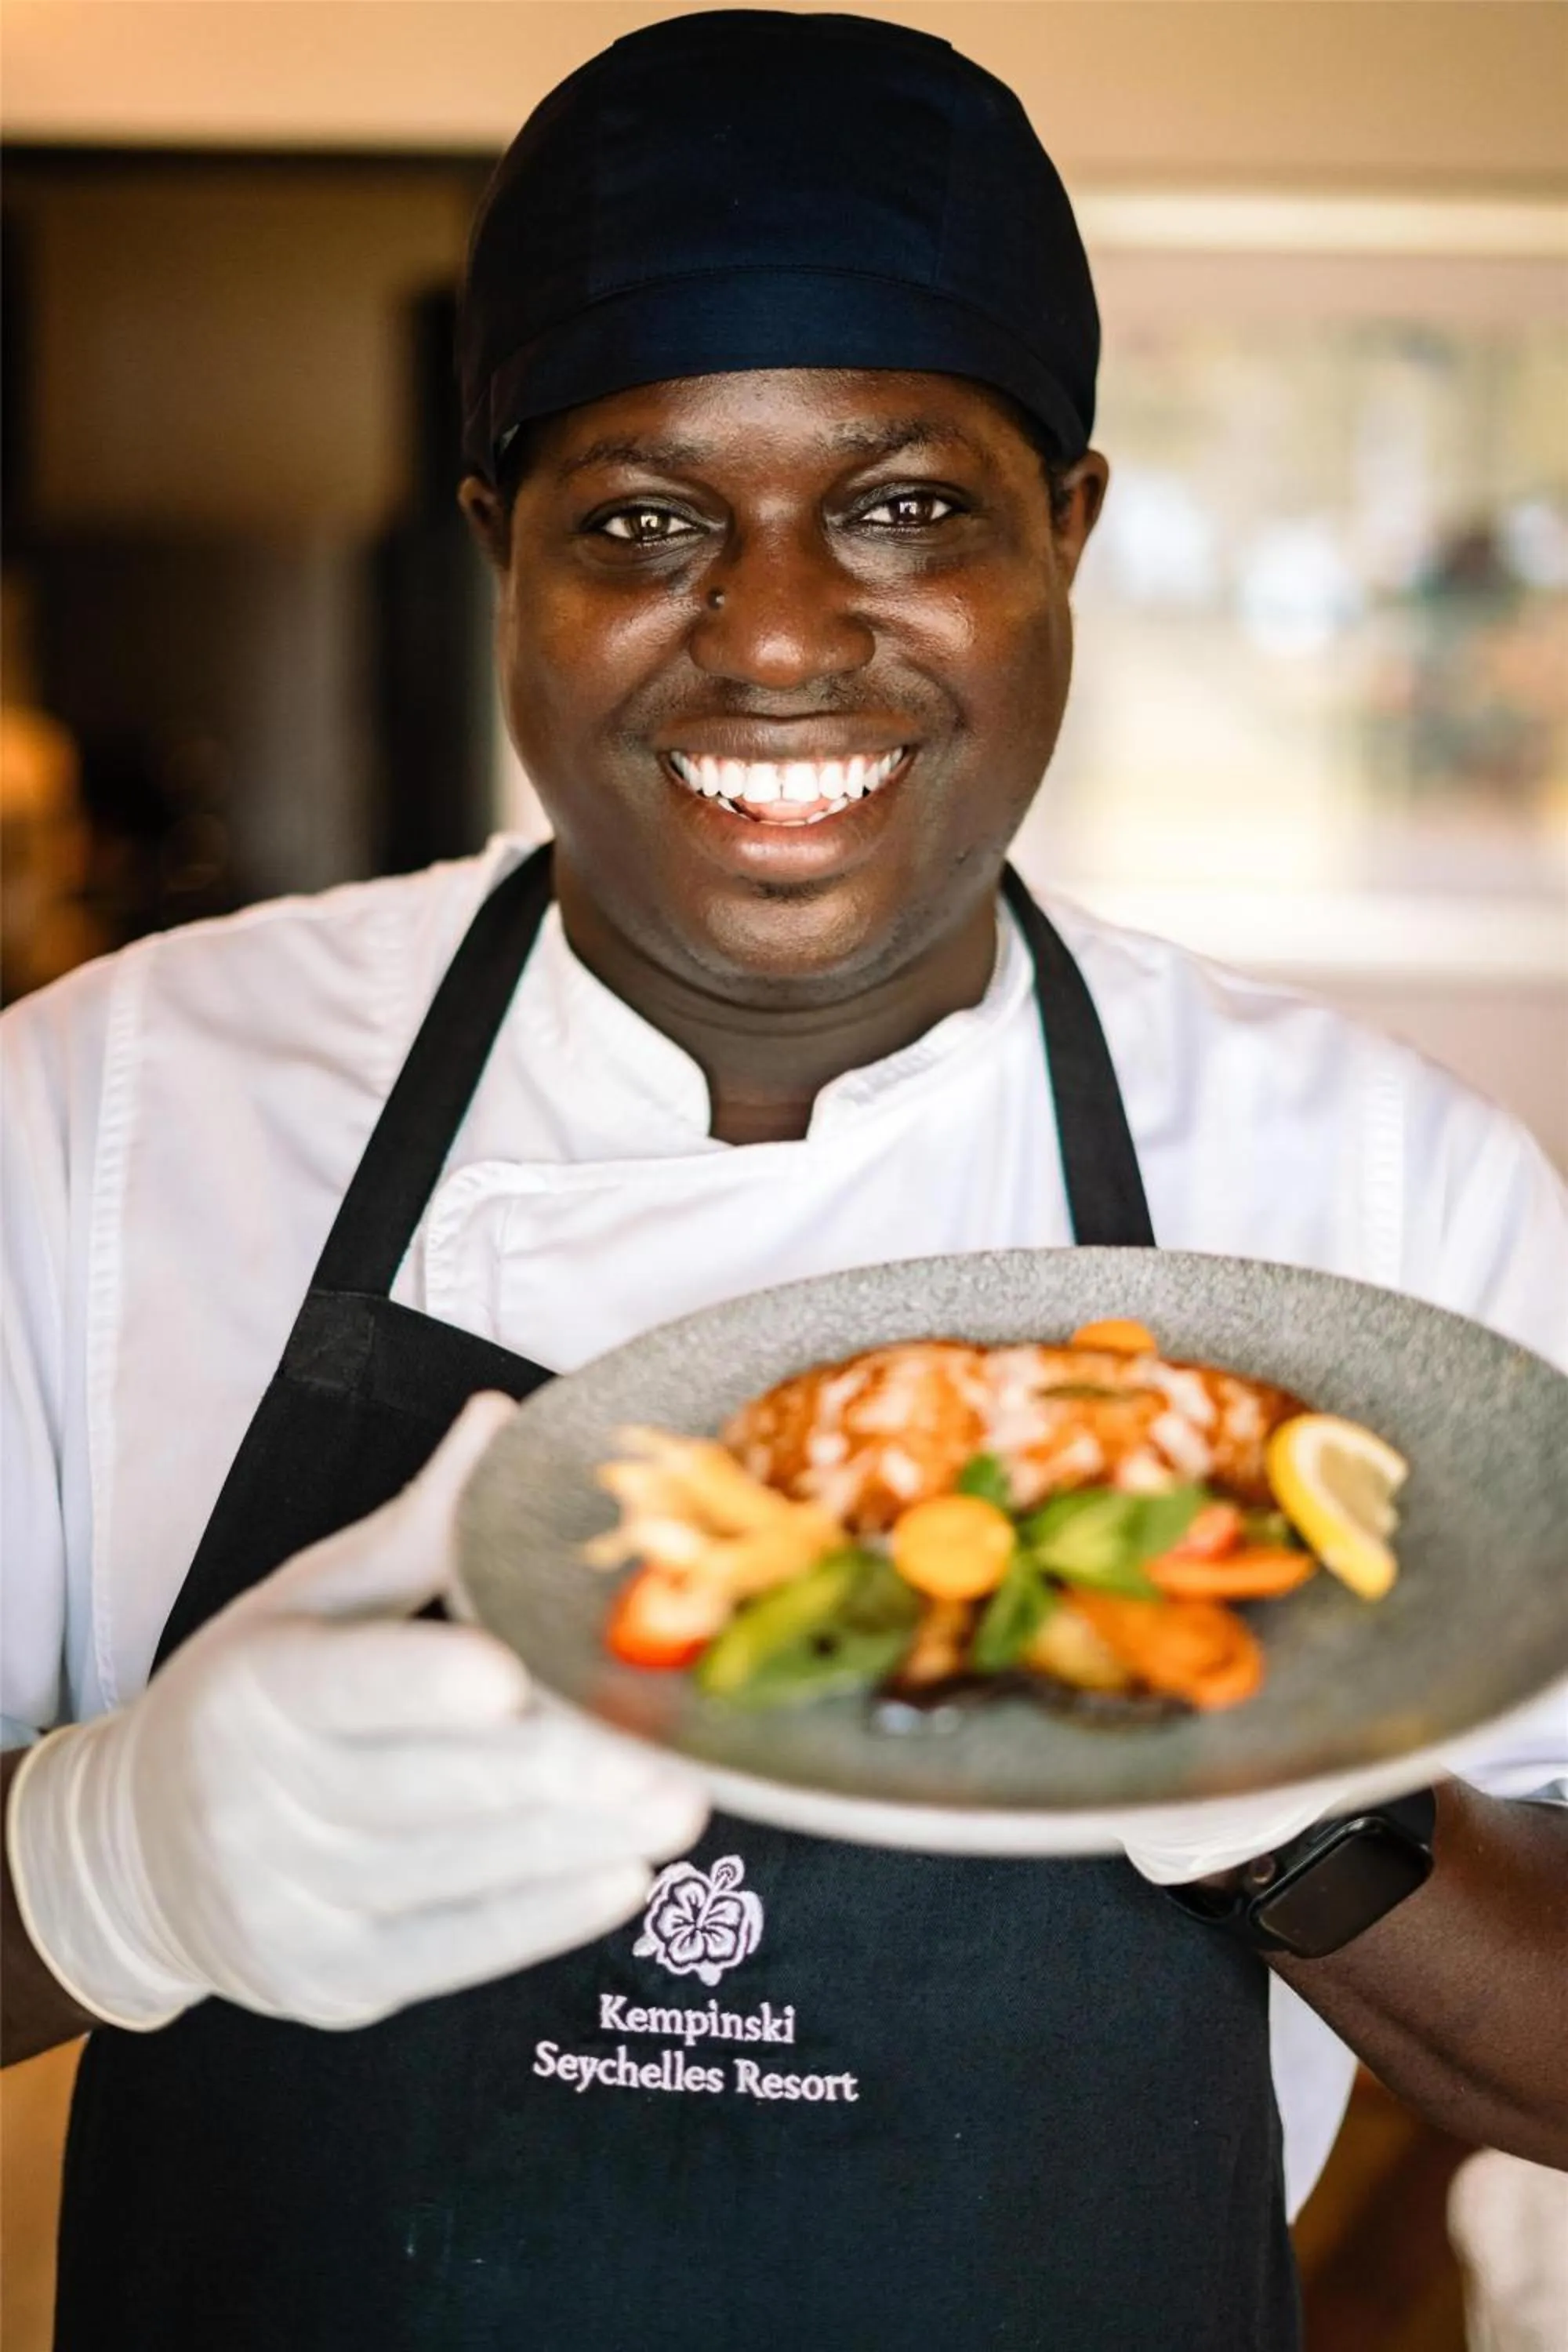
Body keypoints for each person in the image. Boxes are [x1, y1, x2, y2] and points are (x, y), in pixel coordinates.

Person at [2, 13, 1565, 2347]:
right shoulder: (111, 1114)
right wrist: (105, 1864)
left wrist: (1285, 1790)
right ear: (495, 556)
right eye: (641, 519)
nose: (772, 635)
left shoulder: (1372, 1185)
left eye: (909, 504)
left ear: (1073, 534)